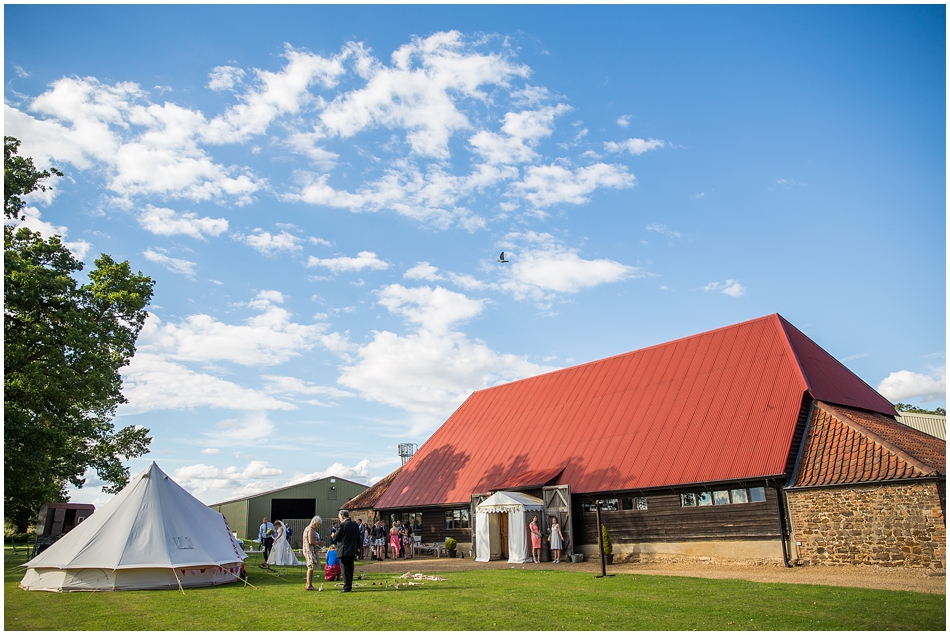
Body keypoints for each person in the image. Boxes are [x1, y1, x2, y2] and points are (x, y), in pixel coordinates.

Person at [333, 510, 360, 592]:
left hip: (343, 549)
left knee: (344, 569)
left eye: (339, 517)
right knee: (350, 568)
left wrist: (333, 535)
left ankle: (347, 587)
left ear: (343, 516)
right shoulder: (355, 525)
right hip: (352, 549)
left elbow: (336, 538)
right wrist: (358, 548)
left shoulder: (342, 525)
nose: (339, 519)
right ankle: (349, 584)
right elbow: (357, 537)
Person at [302, 516, 323, 591]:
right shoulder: (310, 530)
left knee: (311, 567)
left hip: (308, 549)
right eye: (317, 524)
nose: (318, 526)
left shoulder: (307, 529)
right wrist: (319, 543)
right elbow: (311, 542)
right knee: (310, 567)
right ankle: (309, 585)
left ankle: (309, 584)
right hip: (309, 550)